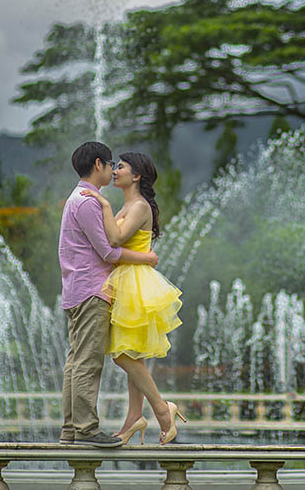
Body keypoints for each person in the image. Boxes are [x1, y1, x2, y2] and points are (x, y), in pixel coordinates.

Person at [79, 151, 187, 445]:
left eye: (121, 167)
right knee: (133, 353)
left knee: (123, 354)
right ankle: (134, 417)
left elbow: (114, 238)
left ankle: (163, 411)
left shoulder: (138, 206)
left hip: (133, 283)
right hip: (127, 280)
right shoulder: (130, 204)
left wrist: (101, 204)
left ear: (136, 176)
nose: (115, 171)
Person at [59, 141, 159, 447]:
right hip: (91, 289)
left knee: (76, 361)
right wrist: (148, 258)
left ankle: (71, 429)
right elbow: (107, 250)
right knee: (87, 363)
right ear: (99, 164)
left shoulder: (78, 198)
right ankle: (87, 429)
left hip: (78, 288)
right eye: (111, 164)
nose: (114, 169)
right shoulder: (89, 201)